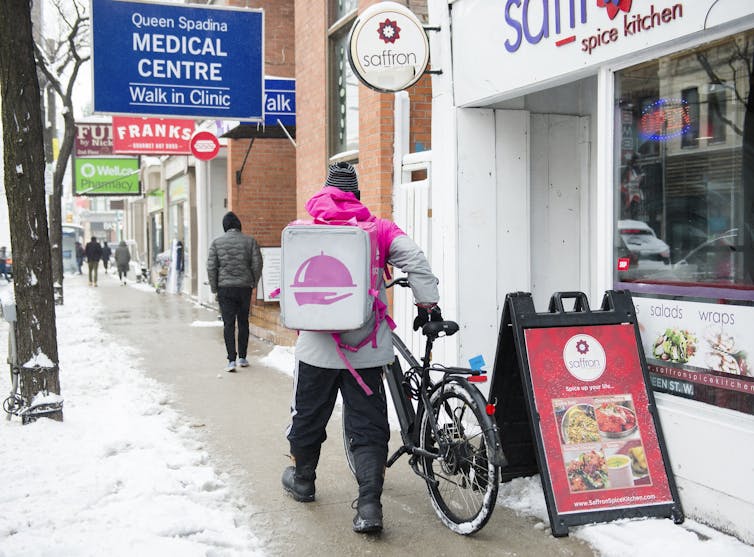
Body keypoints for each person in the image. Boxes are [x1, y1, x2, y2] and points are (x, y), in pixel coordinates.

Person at [281, 162, 441, 534]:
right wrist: (427, 304)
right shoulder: (379, 229)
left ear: (324, 192)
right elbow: (415, 260)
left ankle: (303, 479)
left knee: (306, 416)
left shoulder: (305, 229)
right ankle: (369, 505)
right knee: (367, 426)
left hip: (317, 348)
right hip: (366, 348)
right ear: (357, 196)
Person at [206, 211, 263, 373]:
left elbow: (211, 267)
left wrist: (214, 287)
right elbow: (257, 263)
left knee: (228, 324)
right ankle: (243, 358)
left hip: (225, 289)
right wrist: (253, 282)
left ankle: (231, 360)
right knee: (243, 322)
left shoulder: (217, 243)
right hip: (244, 287)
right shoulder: (250, 241)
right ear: (239, 225)